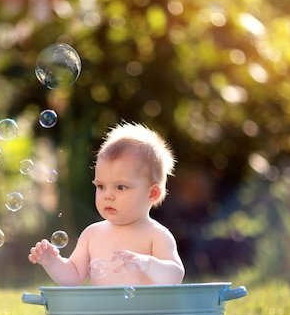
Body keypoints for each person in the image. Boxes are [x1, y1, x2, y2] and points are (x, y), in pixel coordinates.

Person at [28, 122, 185, 286]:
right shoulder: (92, 234)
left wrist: (148, 264)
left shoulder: (156, 235)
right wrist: (52, 262)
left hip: (143, 312)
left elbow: (175, 275)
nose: (107, 195)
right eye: (101, 186)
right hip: (102, 312)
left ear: (152, 193)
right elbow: (73, 276)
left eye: (120, 187)